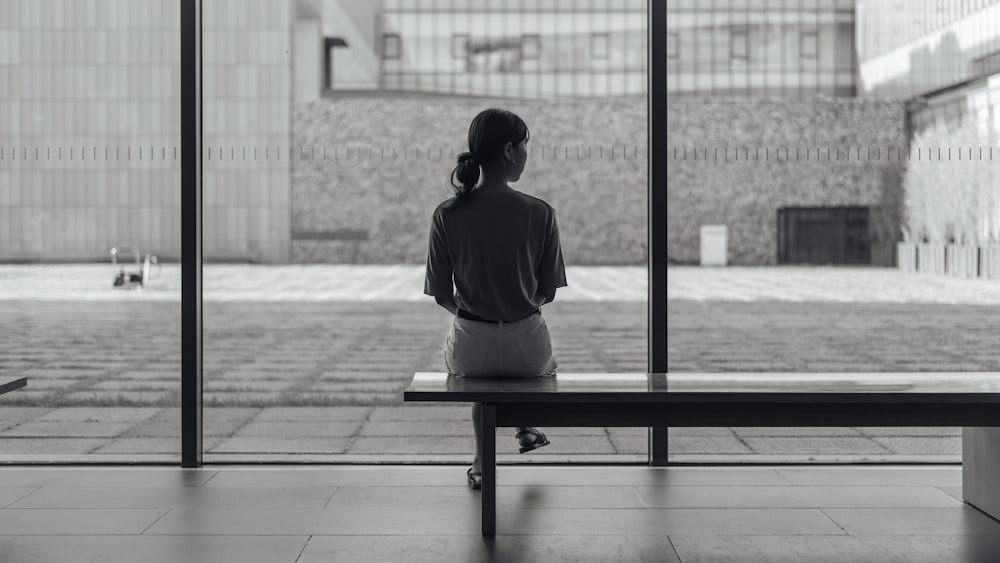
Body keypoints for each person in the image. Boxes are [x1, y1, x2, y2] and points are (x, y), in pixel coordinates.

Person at [423, 108, 567, 490]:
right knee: (537, 368)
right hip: (528, 350)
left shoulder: (447, 214)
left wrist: (472, 312)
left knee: (482, 382)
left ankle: (482, 463)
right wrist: (518, 306)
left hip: (472, 347)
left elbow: (440, 294)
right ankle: (525, 425)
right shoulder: (540, 212)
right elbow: (547, 292)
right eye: (525, 146)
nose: (525, 154)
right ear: (508, 150)